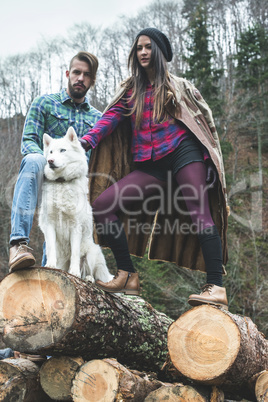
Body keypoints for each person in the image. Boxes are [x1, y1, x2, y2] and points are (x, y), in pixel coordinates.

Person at [80, 28, 229, 309]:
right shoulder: (130, 90)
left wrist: (209, 162)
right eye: (139, 48)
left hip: (185, 154)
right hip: (152, 165)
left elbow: (204, 125)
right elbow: (109, 119)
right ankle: (127, 274)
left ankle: (216, 287)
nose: (143, 52)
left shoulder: (179, 86)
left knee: (201, 214)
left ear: (158, 51)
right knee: (102, 205)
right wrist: (87, 141)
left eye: (148, 47)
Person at [9, 51, 102, 272]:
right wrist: (51, 165)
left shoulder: (98, 118)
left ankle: (54, 276)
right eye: (77, 72)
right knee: (32, 159)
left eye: (86, 75)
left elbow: (99, 159)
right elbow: (29, 141)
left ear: (92, 80)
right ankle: (18, 244)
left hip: (76, 185)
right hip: (46, 177)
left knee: (66, 233)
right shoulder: (44, 103)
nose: (80, 78)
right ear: (68, 73)